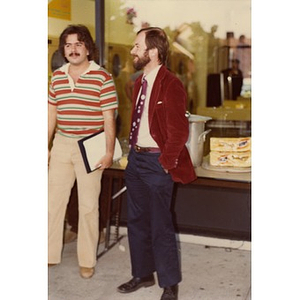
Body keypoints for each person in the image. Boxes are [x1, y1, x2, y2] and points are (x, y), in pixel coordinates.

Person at [117, 27, 196, 300]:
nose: (132, 51)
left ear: (153, 52)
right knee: (136, 220)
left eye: (137, 47)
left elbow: (179, 131)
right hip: (136, 160)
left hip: (156, 162)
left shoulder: (171, 84)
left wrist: (166, 162)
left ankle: (169, 283)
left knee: (161, 224)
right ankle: (142, 274)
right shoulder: (139, 82)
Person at [48, 24, 118, 279]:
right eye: (68, 45)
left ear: (88, 48)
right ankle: (48, 253)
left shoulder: (102, 77)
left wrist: (109, 152)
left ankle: (87, 260)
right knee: (53, 203)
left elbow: (109, 118)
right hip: (62, 144)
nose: (73, 49)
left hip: (90, 145)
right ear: (63, 50)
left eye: (78, 44)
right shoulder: (57, 76)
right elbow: (51, 113)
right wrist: (45, 147)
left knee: (88, 206)